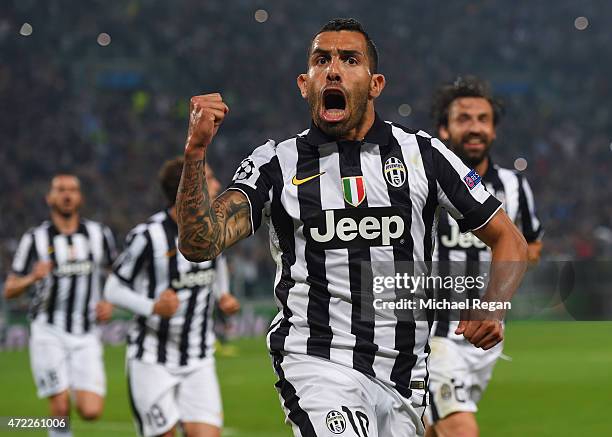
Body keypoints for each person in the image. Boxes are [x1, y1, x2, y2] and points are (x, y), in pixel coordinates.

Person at [175, 18, 528, 437]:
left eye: (349, 59)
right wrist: (196, 151)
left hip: (403, 379)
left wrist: (493, 303)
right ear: (305, 84)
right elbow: (200, 243)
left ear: (375, 84)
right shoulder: (276, 163)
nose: (334, 69)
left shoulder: (424, 156)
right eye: (322, 60)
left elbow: (509, 238)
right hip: (316, 362)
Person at [425, 76, 543, 437]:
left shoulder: (514, 185)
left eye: (483, 119)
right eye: (464, 119)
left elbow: (532, 244)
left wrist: (499, 276)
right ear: (445, 128)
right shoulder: (424, 180)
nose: (474, 127)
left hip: (486, 339)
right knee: (461, 428)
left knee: (432, 427)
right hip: (433, 335)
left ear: (493, 130)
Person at [104, 157, 240, 437]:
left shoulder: (212, 229)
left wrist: (223, 295)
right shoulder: (148, 236)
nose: (216, 184)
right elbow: (112, 289)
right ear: (188, 187)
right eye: (210, 178)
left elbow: (218, 263)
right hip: (152, 358)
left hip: (198, 357)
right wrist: (152, 306)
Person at [3, 174, 116, 437]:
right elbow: (9, 289)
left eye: (72, 190)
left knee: (91, 411)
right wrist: (32, 277)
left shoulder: (99, 234)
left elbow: (117, 274)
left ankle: (64, 396)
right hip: (48, 330)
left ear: (80, 198)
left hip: (86, 332)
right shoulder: (34, 239)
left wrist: (109, 301)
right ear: (49, 198)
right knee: (60, 406)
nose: (67, 195)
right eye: (61, 190)